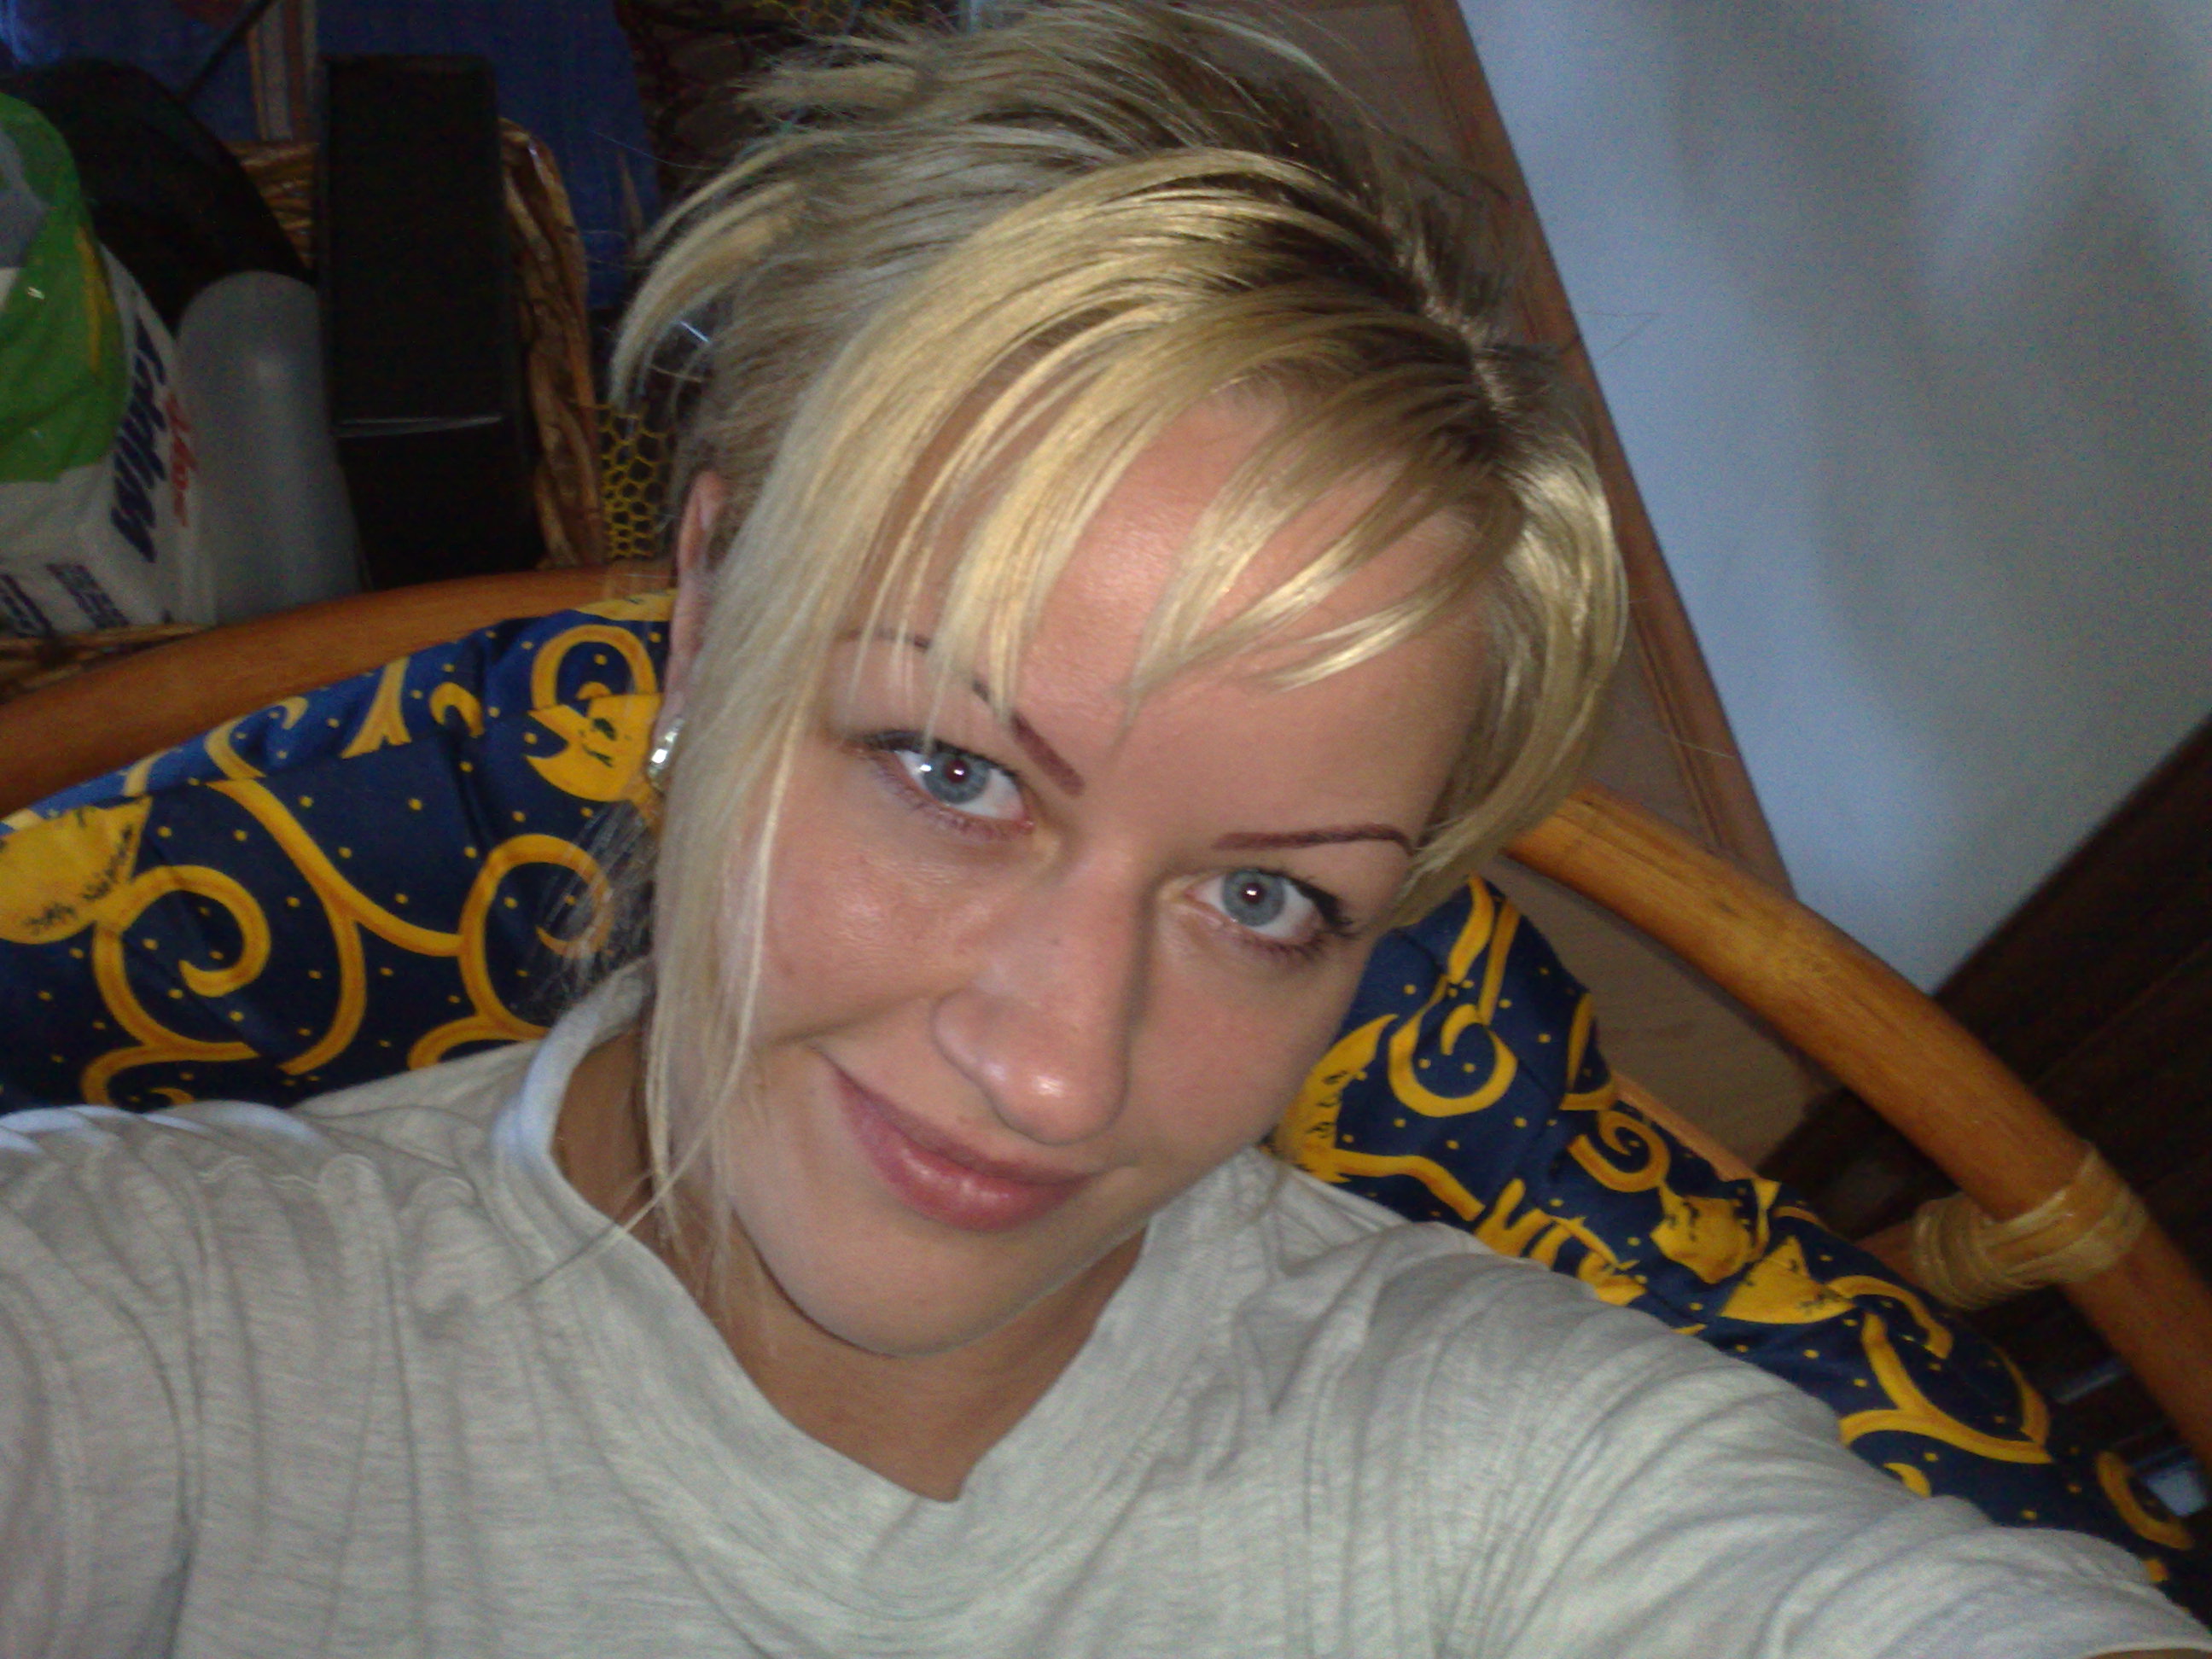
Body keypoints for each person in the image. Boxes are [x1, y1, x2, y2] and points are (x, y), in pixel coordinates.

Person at [1, 3, 2205, 1655]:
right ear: (709, 613)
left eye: (1265, 898)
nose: (1060, 1075)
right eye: (953, 771)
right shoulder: (161, 1339)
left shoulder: (1495, 1465)